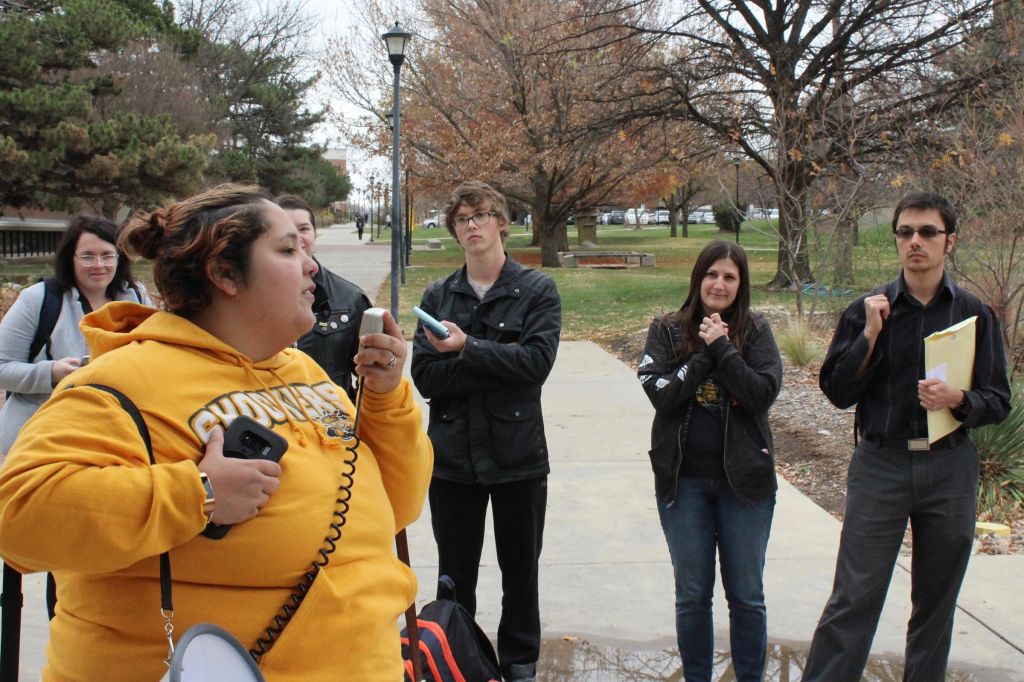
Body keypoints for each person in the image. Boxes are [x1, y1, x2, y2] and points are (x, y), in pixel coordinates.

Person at [0, 184, 433, 681]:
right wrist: (196, 494)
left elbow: (399, 504)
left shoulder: (306, 372)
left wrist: (384, 399)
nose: (312, 266)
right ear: (224, 273)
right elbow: (19, 518)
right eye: (288, 250)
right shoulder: (118, 382)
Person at [803, 192, 1011, 681]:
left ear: (949, 241)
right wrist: (869, 336)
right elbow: (836, 391)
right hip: (882, 464)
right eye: (905, 233)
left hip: (949, 466)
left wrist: (959, 399)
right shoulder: (867, 309)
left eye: (927, 232)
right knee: (855, 596)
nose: (915, 242)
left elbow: (998, 400)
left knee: (936, 603)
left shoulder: (974, 314)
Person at [410, 181, 561, 682]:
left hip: (518, 457)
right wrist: (498, 361)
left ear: (502, 222)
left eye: (480, 215)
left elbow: (536, 365)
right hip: (452, 459)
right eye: (461, 219)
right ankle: (457, 658)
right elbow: (426, 377)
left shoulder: (537, 290)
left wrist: (466, 348)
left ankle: (520, 664)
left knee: (522, 572)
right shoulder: (439, 294)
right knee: (455, 575)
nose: (471, 225)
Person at [636, 240, 782, 682]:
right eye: (712, 275)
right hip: (684, 484)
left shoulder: (756, 331)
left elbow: (761, 394)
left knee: (747, 595)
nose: (719, 284)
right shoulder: (665, 330)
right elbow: (661, 394)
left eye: (730, 277)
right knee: (693, 595)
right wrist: (703, 356)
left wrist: (723, 347)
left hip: (746, 485)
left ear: (742, 285)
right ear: (698, 279)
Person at [0, 214, 151, 456]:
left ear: (119, 257)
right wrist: (51, 373)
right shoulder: (38, 299)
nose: (99, 265)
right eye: (88, 256)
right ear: (71, 259)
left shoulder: (137, 297)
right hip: (42, 440)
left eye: (107, 255)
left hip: (117, 436)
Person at [275, 194, 372, 400]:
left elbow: (370, 376)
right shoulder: (252, 298)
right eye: (287, 231)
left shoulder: (351, 298)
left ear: (315, 233)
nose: (297, 238)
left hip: (332, 419)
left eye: (303, 229)